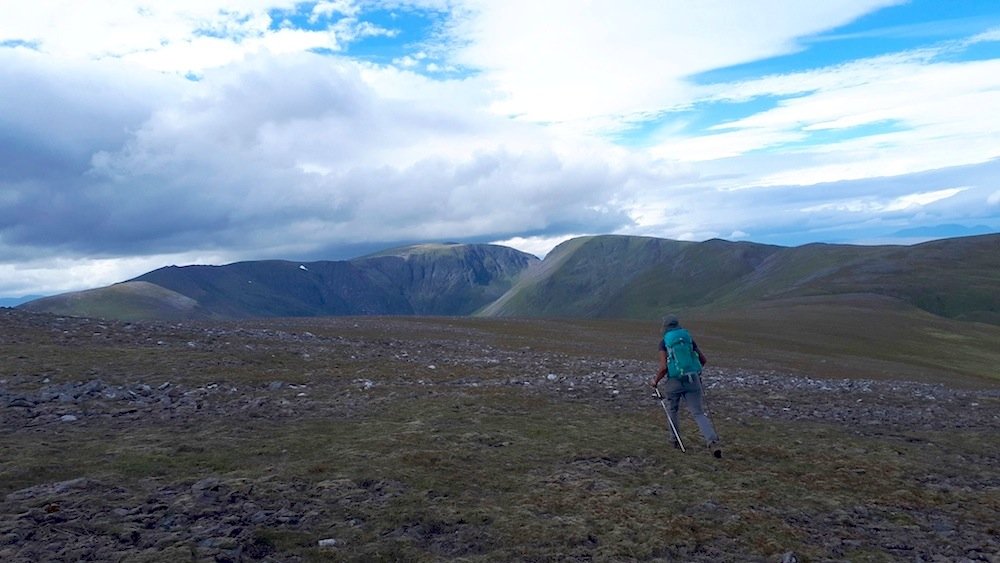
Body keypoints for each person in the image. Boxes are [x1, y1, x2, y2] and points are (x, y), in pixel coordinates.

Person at [649, 314, 722, 458]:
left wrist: (655, 381)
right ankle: (712, 441)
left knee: (673, 410)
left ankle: (675, 440)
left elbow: (663, 368)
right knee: (698, 413)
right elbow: (703, 360)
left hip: (674, 381)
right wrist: (695, 372)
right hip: (692, 379)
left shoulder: (664, 342)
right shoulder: (688, 339)